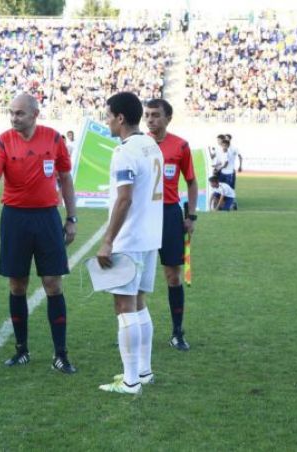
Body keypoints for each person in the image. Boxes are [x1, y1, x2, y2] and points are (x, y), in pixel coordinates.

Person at [0, 93, 78, 374]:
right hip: (15, 218)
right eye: (11, 113)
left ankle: (61, 354)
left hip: (47, 218)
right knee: (17, 285)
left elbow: (66, 178)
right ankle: (21, 350)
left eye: (19, 113)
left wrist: (71, 218)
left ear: (35, 114)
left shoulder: (54, 139)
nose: (13, 118)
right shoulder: (2, 141)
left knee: (53, 284)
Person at [96, 92, 163, 395]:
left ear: (120, 118)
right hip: (149, 237)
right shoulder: (151, 145)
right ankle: (143, 372)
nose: (106, 121)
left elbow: (124, 199)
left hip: (130, 238)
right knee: (139, 303)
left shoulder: (124, 152)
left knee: (124, 306)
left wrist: (108, 241)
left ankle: (130, 380)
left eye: (108, 116)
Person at [144, 98, 198, 351]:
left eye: (155, 115)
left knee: (173, 276)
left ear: (168, 118)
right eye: (147, 115)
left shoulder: (180, 146)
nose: (150, 119)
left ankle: (177, 332)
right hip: (144, 214)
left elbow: (192, 181)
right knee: (136, 274)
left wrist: (191, 216)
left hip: (169, 214)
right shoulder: (138, 144)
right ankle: (134, 329)